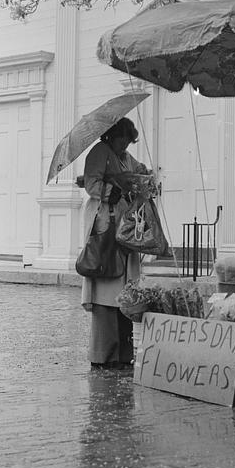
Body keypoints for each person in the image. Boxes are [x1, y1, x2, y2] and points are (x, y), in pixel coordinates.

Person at [77, 117, 150, 370]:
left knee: (124, 285)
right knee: (106, 281)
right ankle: (104, 353)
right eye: (123, 140)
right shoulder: (100, 151)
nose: (125, 145)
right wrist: (112, 189)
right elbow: (91, 183)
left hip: (124, 224)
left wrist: (144, 176)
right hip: (104, 224)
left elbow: (137, 170)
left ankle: (123, 352)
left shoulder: (125, 156)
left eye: (129, 142)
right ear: (113, 135)